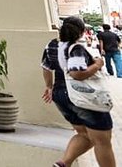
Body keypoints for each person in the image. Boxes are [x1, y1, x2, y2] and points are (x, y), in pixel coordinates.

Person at [42, 16, 115, 167]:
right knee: (102, 141)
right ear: (81, 32)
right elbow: (77, 73)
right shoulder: (76, 49)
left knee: (84, 135)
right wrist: (97, 65)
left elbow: (46, 67)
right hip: (84, 97)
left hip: (61, 94)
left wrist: (49, 86)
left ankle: (63, 163)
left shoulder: (52, 45)